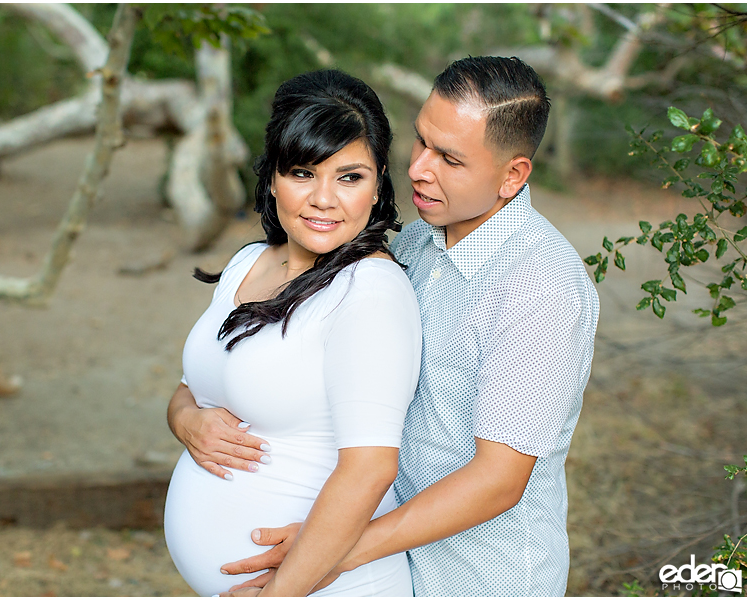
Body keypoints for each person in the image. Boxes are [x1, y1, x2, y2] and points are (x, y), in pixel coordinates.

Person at [182, 56, 600, 597]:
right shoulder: (419, 241)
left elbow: (498, 481)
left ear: (512, 175)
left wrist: (326, 551)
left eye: (449, 158)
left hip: (477, 577)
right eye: (421, 141)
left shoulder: (540, 285)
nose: (419, 168)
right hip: (388, 560)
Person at [163, 69, 422, 597]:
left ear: (378, 187)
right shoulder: (248, 263)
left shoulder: (368, 291)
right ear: (273, 178)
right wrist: (185, 420)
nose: (324, 199)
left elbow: (370, 468)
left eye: (350, 177)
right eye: (303, 173)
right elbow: (195, 384)